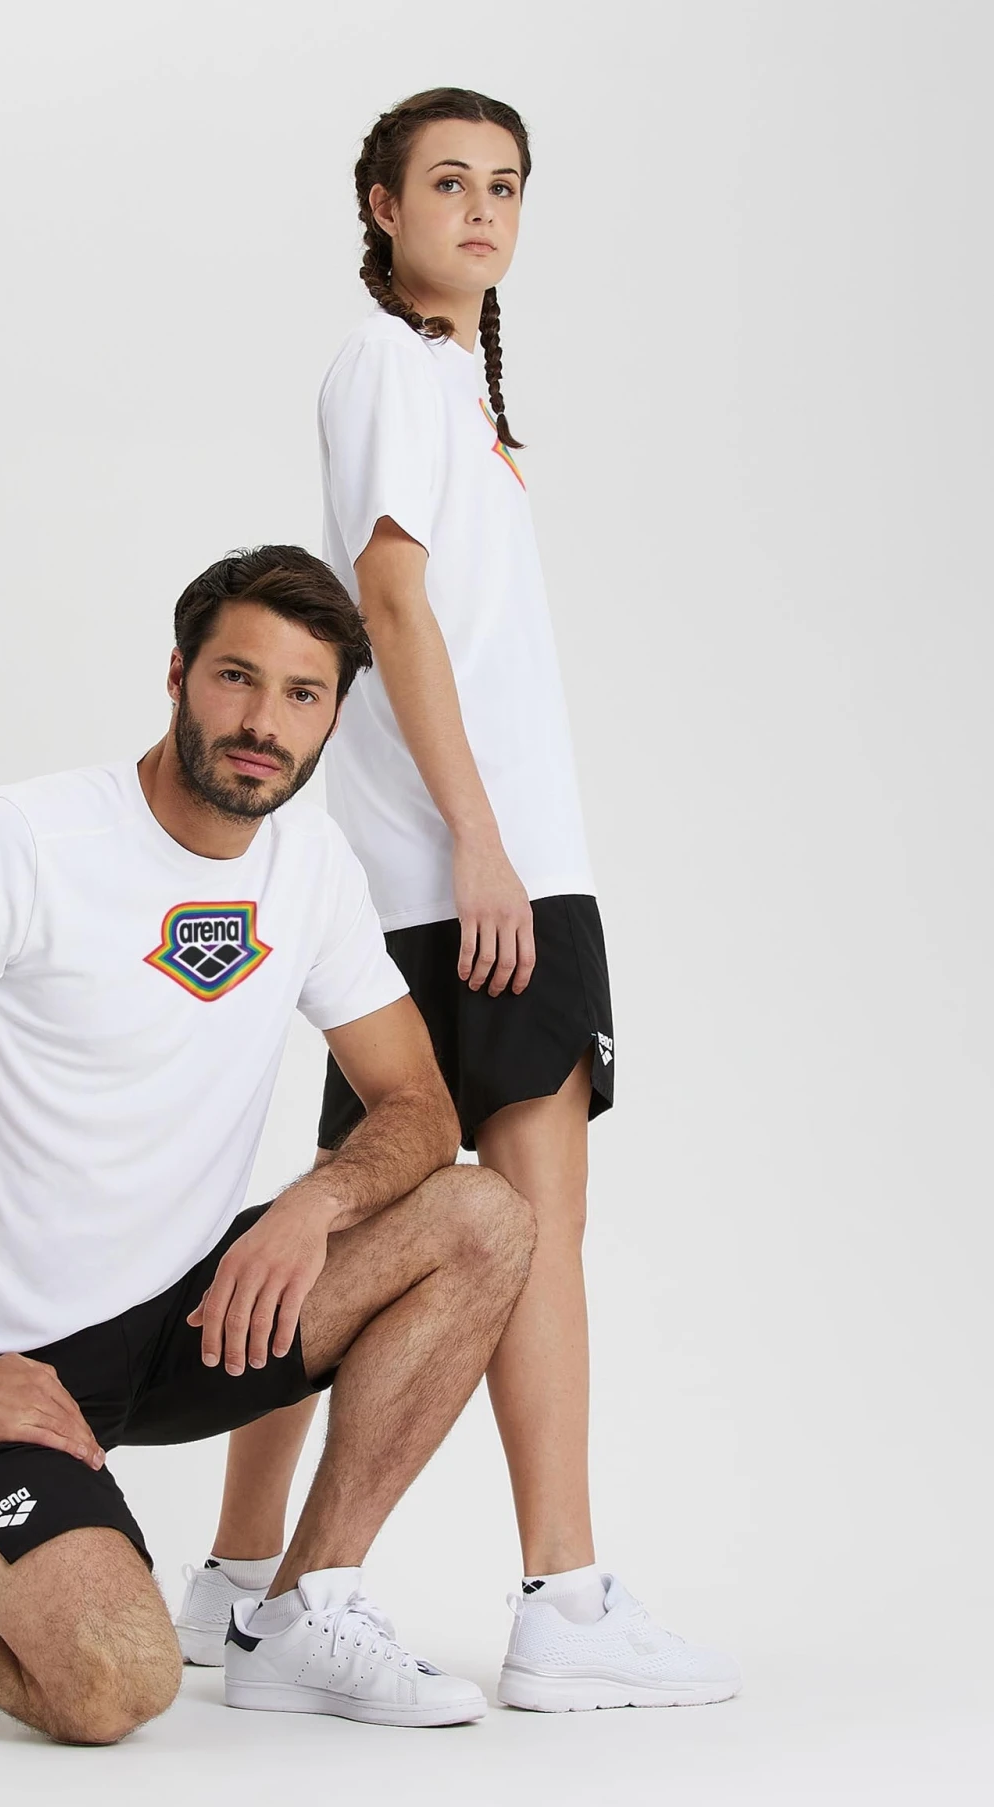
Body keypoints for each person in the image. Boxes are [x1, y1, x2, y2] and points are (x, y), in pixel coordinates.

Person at [174, 92, 741, 1712]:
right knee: (534, 1224)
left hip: (438, 873)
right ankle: (565, 1598)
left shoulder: (447, 386)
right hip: (486, 877)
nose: (482, 210)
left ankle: (238, 1581)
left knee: (350, 1210)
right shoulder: (387, 364)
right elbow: (392, 596)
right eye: (448, 182)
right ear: (381, 205)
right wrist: (486, 844)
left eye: (505, 186)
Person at [0, 544, 537, 1743]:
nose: (264, 723)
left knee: (483, 1216)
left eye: (302, 694)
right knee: (111, 1688)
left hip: (184, 1316)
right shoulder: (18, 843)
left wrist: (314, 1206)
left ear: (334, 718)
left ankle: (302, 1608)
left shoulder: (310, 867)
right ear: (179, 675)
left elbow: (419, 1106)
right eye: (238, 678)